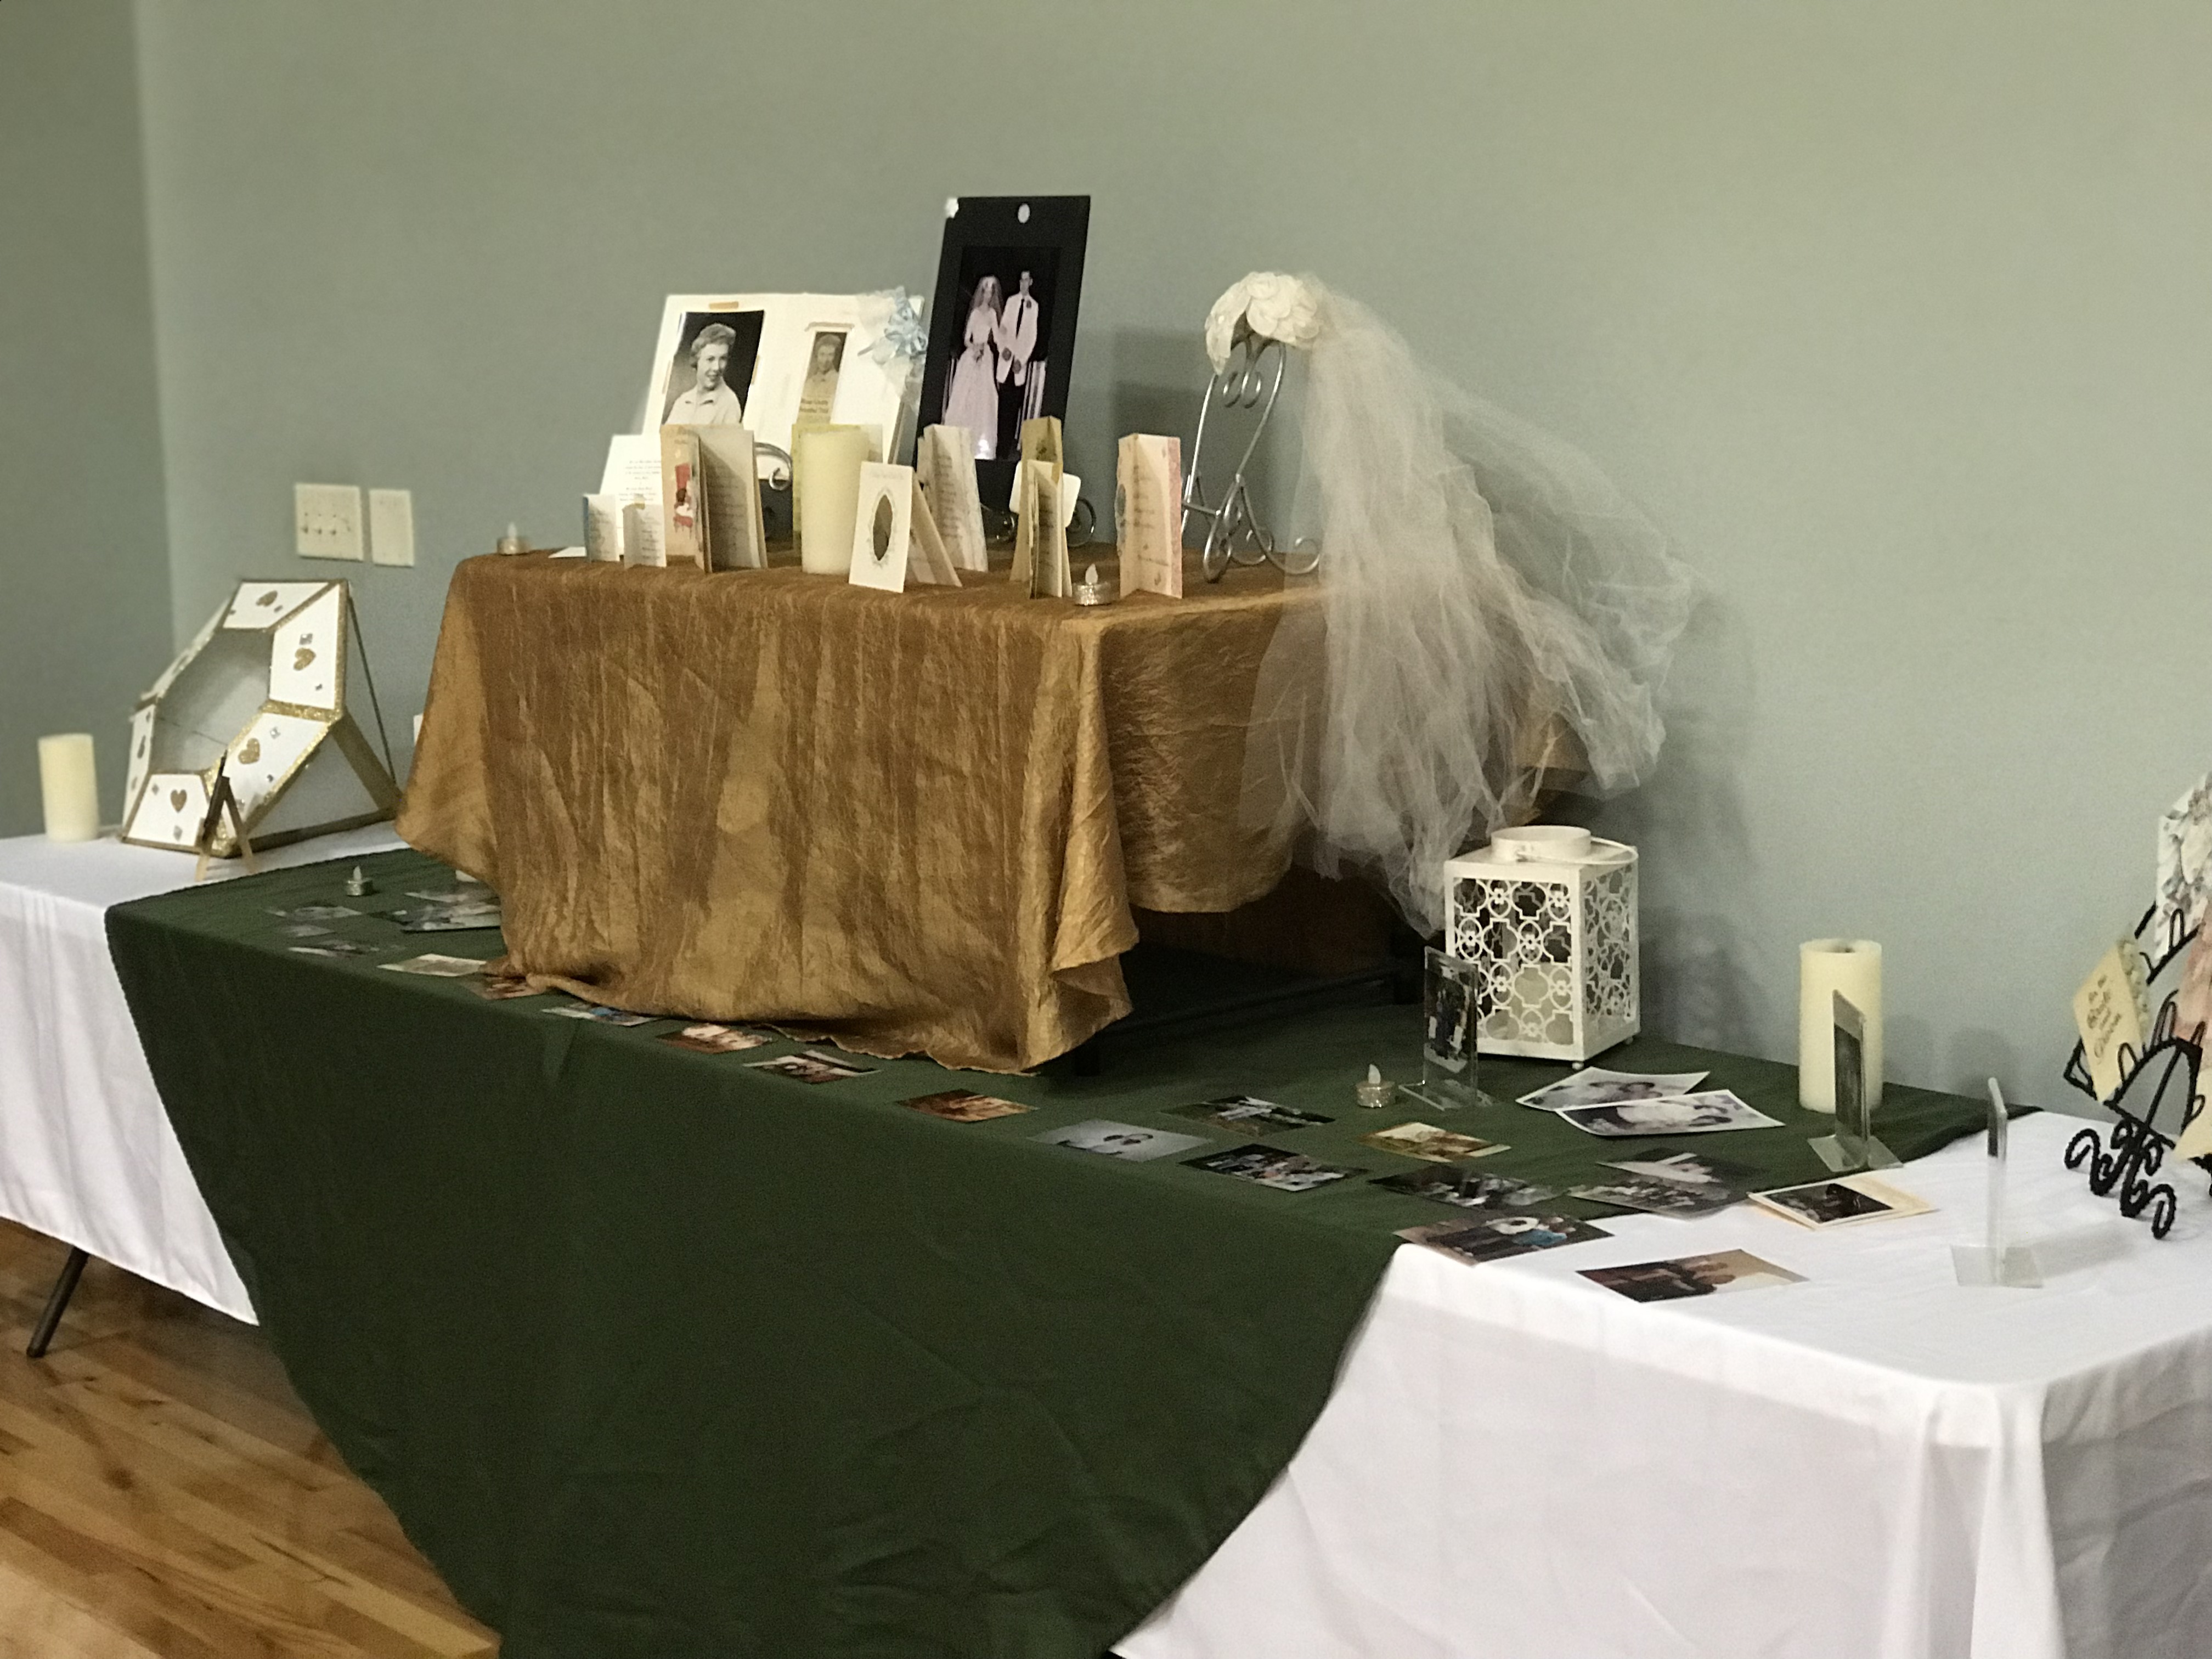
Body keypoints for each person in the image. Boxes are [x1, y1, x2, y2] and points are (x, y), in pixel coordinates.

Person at [942, 276, 1004, 458]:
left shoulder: (992, 314)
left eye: (991, 293)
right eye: (986, 292)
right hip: (972, 354)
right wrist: (975, 348)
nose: (988, 296)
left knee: (985, 394)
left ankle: (980, 441)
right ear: (982, 293)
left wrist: (1003, 343)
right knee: (964, 393)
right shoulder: (976, 313)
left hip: (986, 356)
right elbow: (966, 338)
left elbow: (997, 337)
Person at [664, 323, 746, 425]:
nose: (717, 367)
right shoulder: (683, 401)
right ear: (697, 360)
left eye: (723, 359)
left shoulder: (729, 404)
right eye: (710, 359)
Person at [997, 270, 1045, 436]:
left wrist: (1022, 360)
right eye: (1021, 280)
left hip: (1018, 365)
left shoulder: (1034, 306)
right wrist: (1003, 349)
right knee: (1001, 402)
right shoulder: (1012, 301)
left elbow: (1032, 337)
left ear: (1030, 282)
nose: (1023, 283)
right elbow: (1003, 329)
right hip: (1006, 359)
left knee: (1013, 404)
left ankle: (1008, 441)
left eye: (1026, 280)